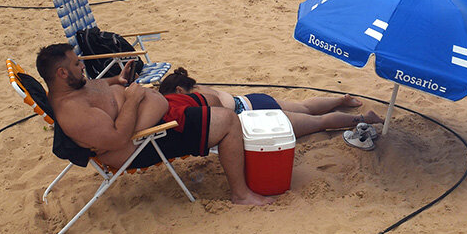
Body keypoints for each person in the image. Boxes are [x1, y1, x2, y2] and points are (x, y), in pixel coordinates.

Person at [37, 44, 278, 206]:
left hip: (155, 118)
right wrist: (132, 98)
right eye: (77, 64)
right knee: (228, 121)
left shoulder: (74, 87)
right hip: (147, 141)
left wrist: (117, 81)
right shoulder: (73, 113)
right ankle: (241, 194)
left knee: (210, 99)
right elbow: (119, 138)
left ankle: (236, 159)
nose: (82, 67)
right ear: (61, 73)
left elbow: (97, 88)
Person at [158, 67, 382, 138]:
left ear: (179, 90)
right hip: (253, 101)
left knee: (318, 122)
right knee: (305, 106)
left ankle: (363, 118)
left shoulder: (195, 99)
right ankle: (340, 99)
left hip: (257, 116)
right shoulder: (202, 88)